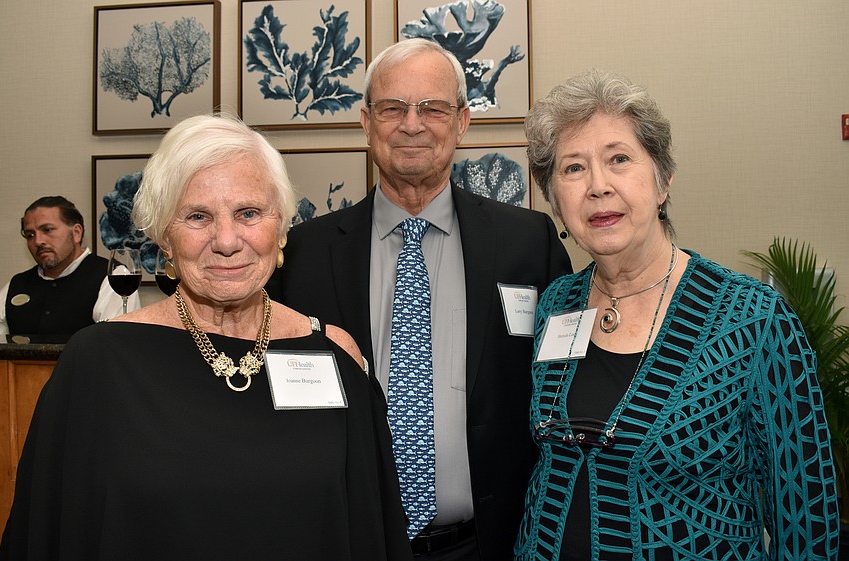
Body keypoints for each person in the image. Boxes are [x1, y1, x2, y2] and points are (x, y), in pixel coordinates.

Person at [0, 114, 412, 561]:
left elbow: (372, 530)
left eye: (249, 213)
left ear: (281, 227)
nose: (228, 240)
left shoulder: (334, 355)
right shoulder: (98, 365)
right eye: (198, 216)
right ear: (164, 237)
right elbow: (48, 533)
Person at [514, 70, 840, 560]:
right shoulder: (556, 305)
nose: (598, 186)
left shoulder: (756, 322)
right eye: (573, 169)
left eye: (619, 159)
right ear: (555, 200)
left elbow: (807, 523)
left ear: (663, 180)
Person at [269, 39, 573, 560]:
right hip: (348, 540)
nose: (413, 124)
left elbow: (566, 391)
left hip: (489, 543)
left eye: (433, 107)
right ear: (366, 122)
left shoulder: (529, 243)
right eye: (393, 108)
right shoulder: (300, 255)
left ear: (462, 122)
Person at [0, 196, 139, 338]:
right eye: (30, 235)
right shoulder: (15, 285)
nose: (38, 241)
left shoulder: (114, 278)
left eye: (47, 230)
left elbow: (115, 345)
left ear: (76, 233)